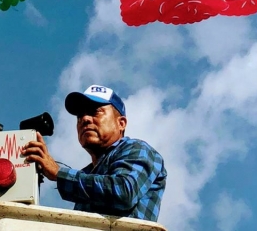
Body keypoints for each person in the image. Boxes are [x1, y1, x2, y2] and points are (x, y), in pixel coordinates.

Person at [21, 85, 166, 222]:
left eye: (95, 111)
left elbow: (123, 192)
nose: (85, 119)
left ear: (121, 123)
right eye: (80, 116)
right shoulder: (88, 175)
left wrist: (59, 174)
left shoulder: (138, 149)